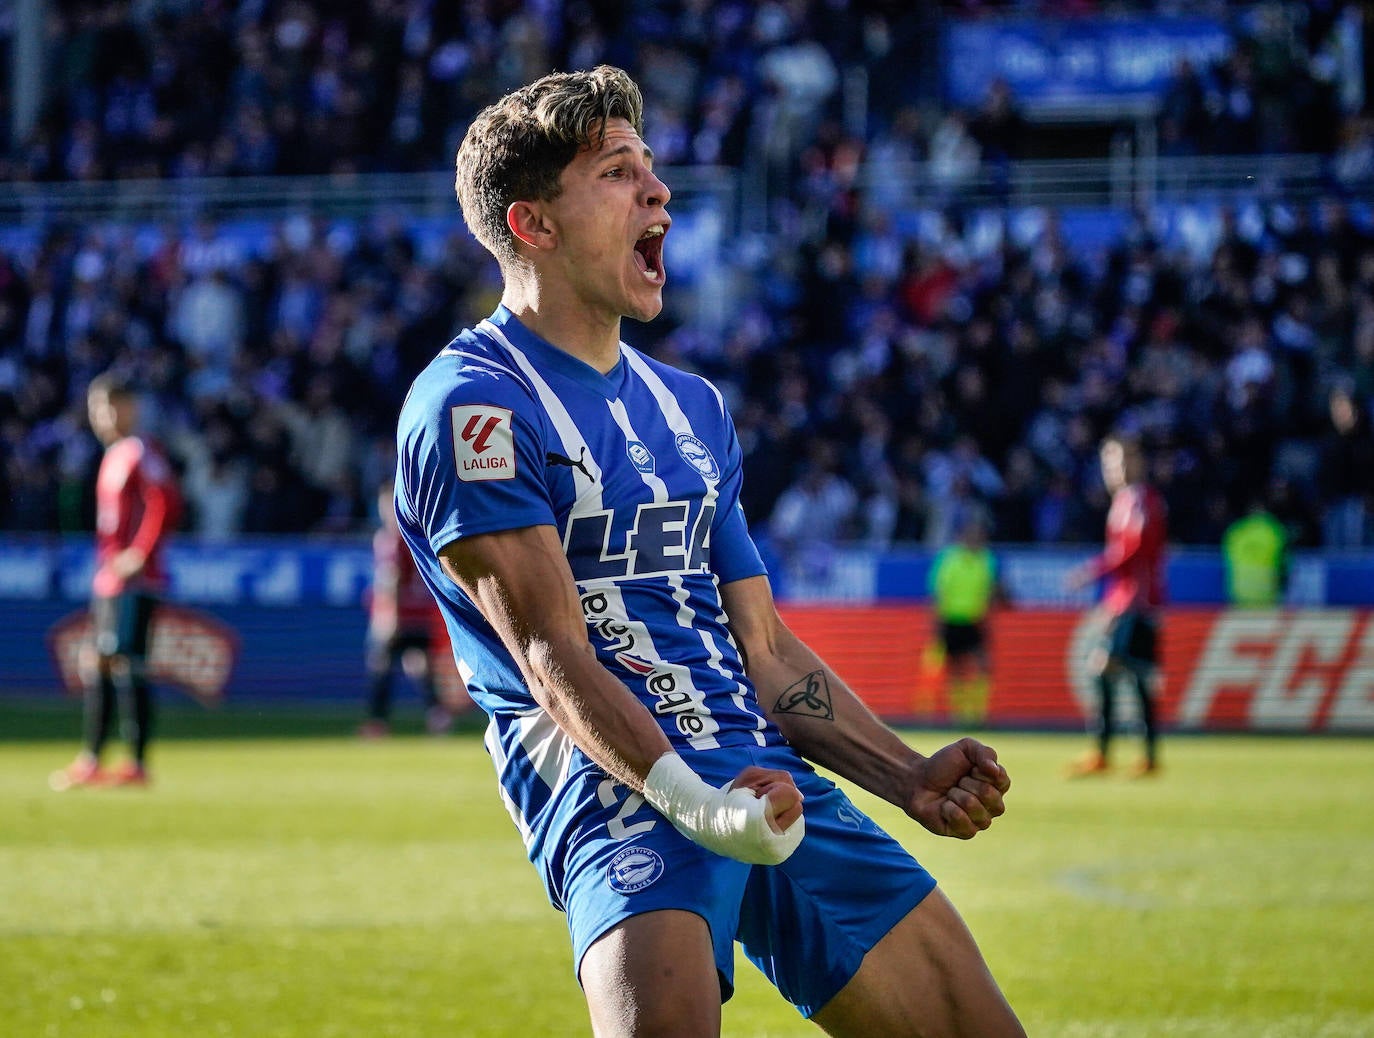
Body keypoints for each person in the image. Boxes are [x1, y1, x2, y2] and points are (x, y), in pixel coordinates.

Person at [395, 66, 1024, 1037]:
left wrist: (904, 776)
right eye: (617, 173)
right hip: (614, 787)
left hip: (764, 770)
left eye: (650, 167)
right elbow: (553, 657)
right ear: (534, 226)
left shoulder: (692, 406)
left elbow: (763, 653)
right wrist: (698, 805)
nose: (660, 192)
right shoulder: (473, 405)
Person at [51, 372, 181, 790]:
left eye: (110, 406)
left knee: (126, 663)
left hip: (135, 579)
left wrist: (140, 554)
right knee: (100, 662)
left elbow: (165, 500)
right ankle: (93, 759)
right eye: (95, 409)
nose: (102, 416)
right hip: (110, 578)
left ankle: (136, 763)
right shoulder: (114, 455)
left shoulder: (140, 451)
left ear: (130, 407)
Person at [1065, 433, 1168, 778]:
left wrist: (1092, 571)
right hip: (1126, 600)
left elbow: (1135, 552)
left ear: (1138, 463)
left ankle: (1111, 753)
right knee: (1131, 675)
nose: (1116, 469)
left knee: (1111, 670)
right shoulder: (1126, 500)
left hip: (1138, 603)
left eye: (1123, 461)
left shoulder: (1139, 500)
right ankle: (1141, 756)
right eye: (1110, 463)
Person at [359, 479, 452, 739]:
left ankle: (377, 723)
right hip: (421, 612)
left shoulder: (391, 539)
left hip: (399, 614)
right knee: (419, 664)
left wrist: (388, 615)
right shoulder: (418, 535)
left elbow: (392, 578)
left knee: (381, 665)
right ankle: (437, 715)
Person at [928, 511, 1005, 727]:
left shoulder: (986, 559)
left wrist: (989, 613)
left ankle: (978, 714)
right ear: (963, 536)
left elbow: (990, 589)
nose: (976, 539)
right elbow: (938, 591)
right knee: (955, 668)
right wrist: (936, 622)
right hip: (952, 619)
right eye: (972, 534)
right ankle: (959, 714)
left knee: (984, 664)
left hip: (975, 620)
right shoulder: (950, 559)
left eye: (979, 535)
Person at [1221, 497, 1289, 607]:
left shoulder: (1235, 531)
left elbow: (1228, 559)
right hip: (1267, 592)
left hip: (1240, 592)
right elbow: (1285, 562)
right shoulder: (1275, 531)